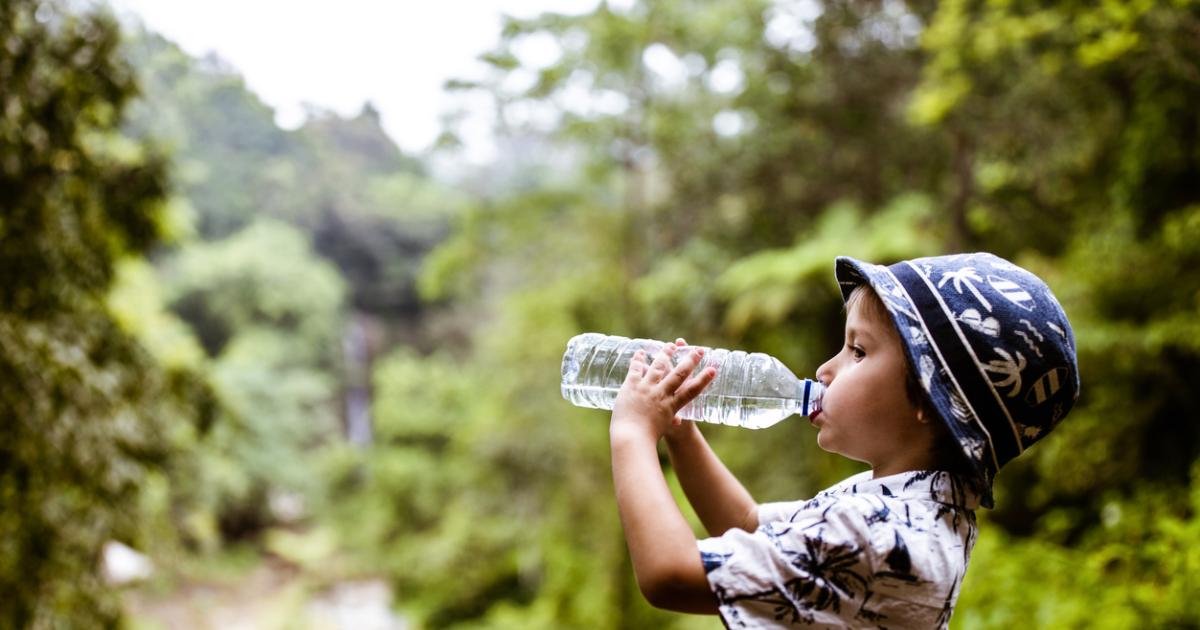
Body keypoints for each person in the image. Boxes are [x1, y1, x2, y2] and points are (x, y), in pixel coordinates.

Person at [608, 252, 1079, 628]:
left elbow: (670, 575)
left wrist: (632, 433)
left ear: (930, 400)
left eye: (858, 350)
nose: (824, 370)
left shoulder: (884, 535)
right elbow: (748, 524)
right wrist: (680, 432)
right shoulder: (902, 504)